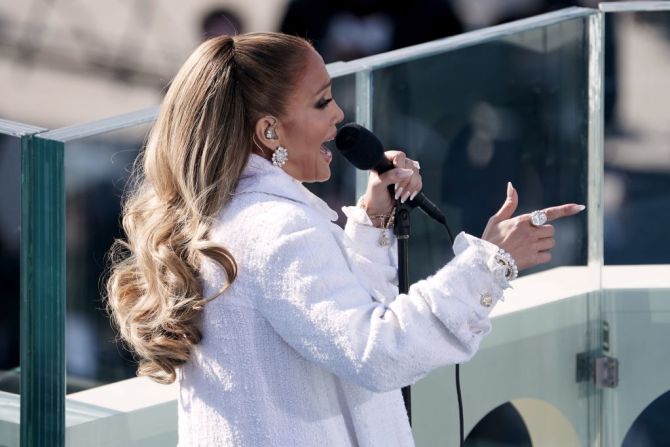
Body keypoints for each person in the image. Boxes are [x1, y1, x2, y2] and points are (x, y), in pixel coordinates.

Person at [106, 33, 584, 446]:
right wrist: (490, 264)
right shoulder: (276, 229)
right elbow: (377, 352)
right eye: (321, 102)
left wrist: (375, 219)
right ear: (269, 131)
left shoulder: (233, 212)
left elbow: (328, 324)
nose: (339, 116)